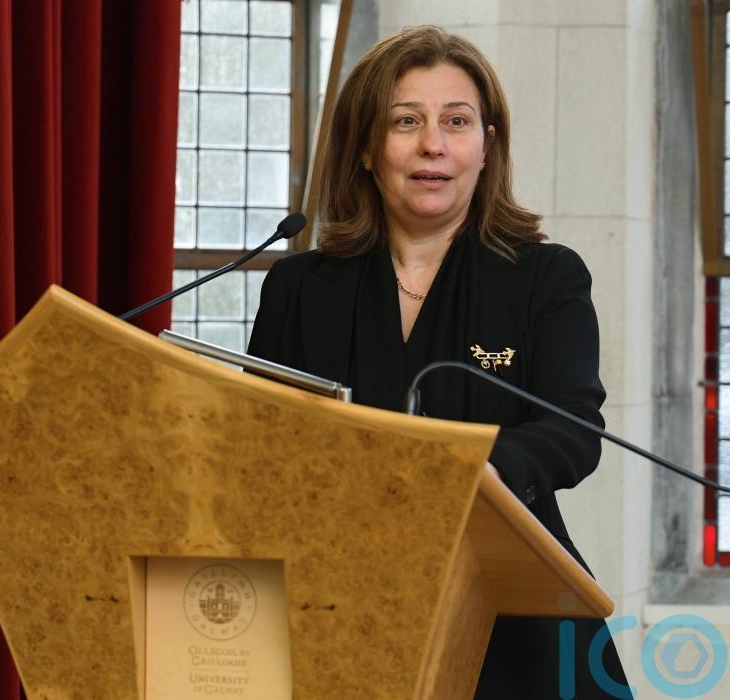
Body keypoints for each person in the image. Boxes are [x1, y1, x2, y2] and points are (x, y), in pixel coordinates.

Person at [246, 25, 631, 699]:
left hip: (511, 614)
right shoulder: (298, 287)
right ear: (366, 148)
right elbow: (257, 446)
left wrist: (480, 471)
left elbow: (574, 429)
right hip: (336, 606)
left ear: (487, 145)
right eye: (406, 121)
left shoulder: (545, 276)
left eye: (457, 121)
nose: (434, 144)